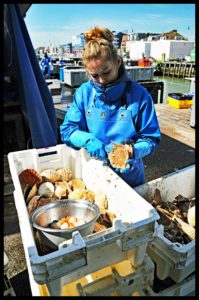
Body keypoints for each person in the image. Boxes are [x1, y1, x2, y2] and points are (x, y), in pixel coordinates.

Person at [60, 26, 161, 188]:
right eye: (94, 75)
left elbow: (150, 138)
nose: (101, 80)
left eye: (106, 72)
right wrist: (87, 139)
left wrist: (133, 151)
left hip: (130, 178)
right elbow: (67, 130)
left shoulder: (140, 96)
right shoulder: (83, 94)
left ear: (118, 62)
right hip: (95, 174)